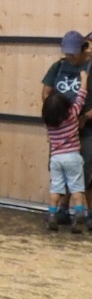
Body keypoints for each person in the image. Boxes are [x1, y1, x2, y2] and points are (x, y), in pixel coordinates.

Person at [42, 31, 92, 205]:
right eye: (67, 52)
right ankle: (62, 211)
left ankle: (89, 213)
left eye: (73, 52)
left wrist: (85, 117)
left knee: (86, 171)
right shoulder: (58, 66)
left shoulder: (90, 67)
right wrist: (57, 116)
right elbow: (46, 92)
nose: (69, 55)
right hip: (63, 127)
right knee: (61, 170)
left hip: (86, 129)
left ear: (83, 49)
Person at [41, 70, 89, 232]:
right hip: (73, 157)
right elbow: (81, 97)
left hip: (56, 158)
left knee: (56, 188)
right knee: (76, 187)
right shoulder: (72, 115)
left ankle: (52, 214)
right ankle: (80, 212)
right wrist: (84, 79)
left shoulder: (49, 124)